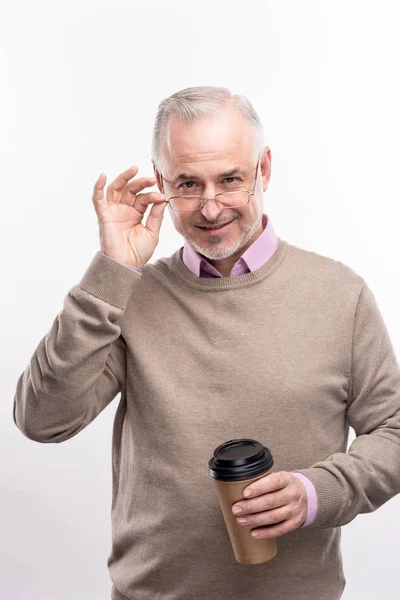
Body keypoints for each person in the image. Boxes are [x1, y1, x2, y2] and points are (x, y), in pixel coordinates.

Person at [13, 86, 400, 600]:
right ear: (161, 181)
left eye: (231, 179)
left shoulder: (339, 293)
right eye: (188, 184)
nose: (210, 207)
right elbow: (42, 419)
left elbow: (393, 432)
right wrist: (111, 274)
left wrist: (315, 492)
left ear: (264, 169)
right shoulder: (128, 294)